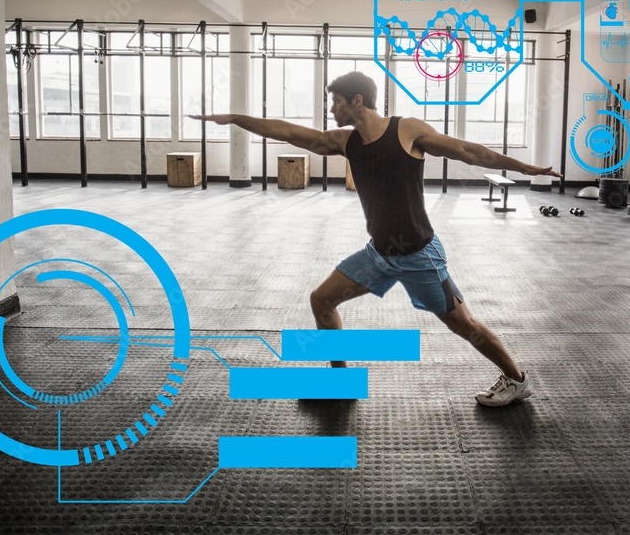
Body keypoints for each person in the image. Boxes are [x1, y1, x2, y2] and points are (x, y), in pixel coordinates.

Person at [190, 71, 561, 406]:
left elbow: (468, 151)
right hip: (378, 255)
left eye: (335, 101)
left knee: (464, 324)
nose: (330, 108)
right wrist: (237, 118)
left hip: (419, 256)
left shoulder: (407, 130)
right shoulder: (343, 142)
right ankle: (339, 381)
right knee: (322, 299)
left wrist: (523, 167)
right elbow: (287, 132)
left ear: (356, 101)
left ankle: (517, 380)